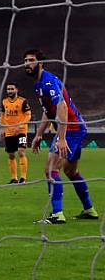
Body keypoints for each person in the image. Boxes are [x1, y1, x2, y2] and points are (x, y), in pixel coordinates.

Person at [25, 49, 98, 224]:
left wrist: (62, 138)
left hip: (71, 129)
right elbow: (48, 112)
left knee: (51, 170)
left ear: (40, 63)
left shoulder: (48, 82)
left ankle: (57, 214)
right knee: (71, 171)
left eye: (31, 60)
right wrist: (38, 135)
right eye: (25, 60)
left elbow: (62, 108)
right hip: (77, 127)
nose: (27, 63)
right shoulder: (39, 84)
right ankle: (90, 210)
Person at [0, 82, 31, 184]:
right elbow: (3, 116)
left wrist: (20, 125)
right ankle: (14, 178)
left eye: (12, 89)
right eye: (8, 89)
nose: (10, 91)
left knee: (21, 151)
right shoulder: (4, 102)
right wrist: (3, 129)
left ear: (16, 90)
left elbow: (28, 115)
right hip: (9, 132)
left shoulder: (23, 101)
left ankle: (23, 178)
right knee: (11, 155)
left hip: (21, 131)